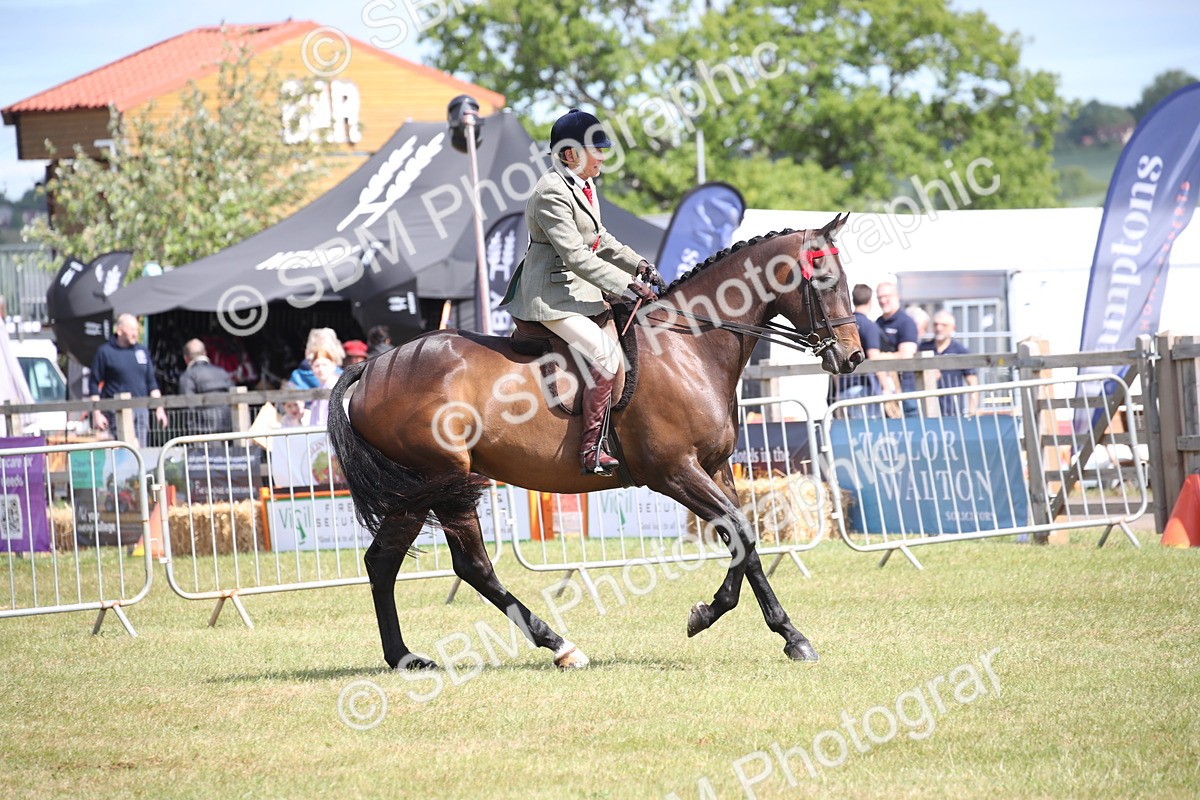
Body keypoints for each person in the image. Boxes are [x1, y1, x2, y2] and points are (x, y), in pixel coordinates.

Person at [500, 107, 659, 476]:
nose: (602, 156)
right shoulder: (551, 192)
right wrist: (627, 285)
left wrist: (639, 265)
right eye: (595, 149)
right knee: (605, 356)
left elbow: (599, 239)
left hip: (579, 292)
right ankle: (590, 450)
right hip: (551, 299)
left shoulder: (583, 185)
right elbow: (575, 256)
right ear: (570, 154)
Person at [89, 313, 168, 445]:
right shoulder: (105, 352)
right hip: (117, 411)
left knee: (140, 451)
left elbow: (152, 383)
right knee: (123, 452)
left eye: (136, 330)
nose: (135, 334)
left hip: (141, 410)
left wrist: (159, 409)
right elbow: (94, 384)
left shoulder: (141, 351)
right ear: (119, 330)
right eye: (132, 330)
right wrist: (97, 414)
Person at [836, 284, 884, 416]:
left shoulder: (842, 326)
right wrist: (886, 387)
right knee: (869, 429)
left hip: (844, 386)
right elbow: (874, 358)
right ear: (870, 300)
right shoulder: (869, 326)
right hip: (865, 388)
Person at [919, 310, 980, 416]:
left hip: (952, 411)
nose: (939, 328)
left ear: (953, 328)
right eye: (936, 324)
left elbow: (972, 381)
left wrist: (972, 410)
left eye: (944, 325)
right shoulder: (922, 349)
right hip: (925, 412)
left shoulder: (960, 351)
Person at [874, 282, 920, 417]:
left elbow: (906, 354)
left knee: (910, 425)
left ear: (896, 296)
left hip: (904, 386)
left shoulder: (906, 322)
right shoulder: (878, 323)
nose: (883, 301)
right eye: (879, 297)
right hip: (882, 386)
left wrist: (881, 357)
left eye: (886, 296)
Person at [178, 339, 234, 434]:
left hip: (201, 429)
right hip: (226, 426)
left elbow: (188, 406)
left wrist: (190, 429)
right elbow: (233, 398)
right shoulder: (223, 373)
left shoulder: (188, 376)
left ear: (186, 358)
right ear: (205, 353)